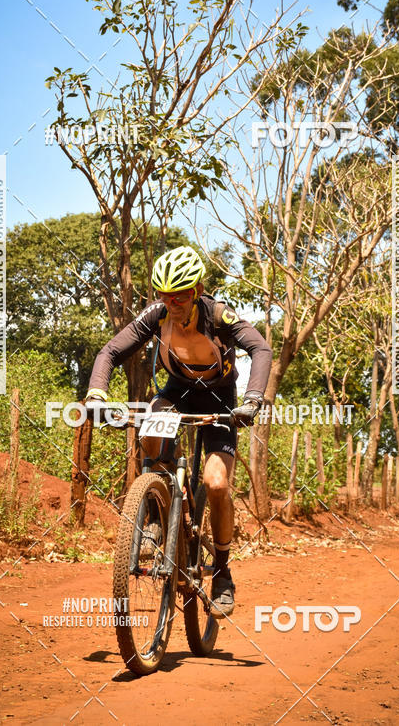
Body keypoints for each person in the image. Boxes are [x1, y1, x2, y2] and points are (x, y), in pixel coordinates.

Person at [85, 245, 272, 617]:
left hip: (220, 399)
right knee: (151, 431)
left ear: (197, 290)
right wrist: (96, 393)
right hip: (176, 394)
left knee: (216, 484)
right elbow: (109, 352)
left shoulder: (220, 316)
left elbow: (261, 349)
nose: (173, 303)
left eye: (181, 294)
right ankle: (155, 515)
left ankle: (221, 572)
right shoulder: (156, 316)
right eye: (165, 296)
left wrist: (252, 399)